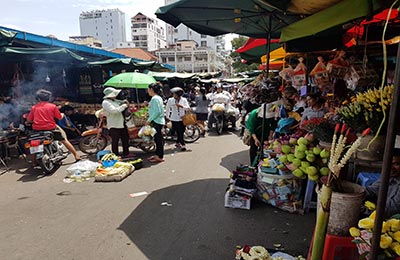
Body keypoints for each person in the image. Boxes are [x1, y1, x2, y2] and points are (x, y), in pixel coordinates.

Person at [26, 89, 80, 165]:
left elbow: (29, 120)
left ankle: (34, 162)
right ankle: (76, 155)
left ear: (38, 99)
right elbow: (59, 118)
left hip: (37, 130)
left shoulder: (34, 108)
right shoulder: (53, 106)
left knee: (34, 144)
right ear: (48, 98)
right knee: (64, 140)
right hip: (51, 129)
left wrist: (32, 121)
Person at [246, 87, 280, 165]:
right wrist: (255, 139)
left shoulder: (273, 113)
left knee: (265, 150)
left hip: (266, 133)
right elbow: (251, 127)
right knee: (253, 150)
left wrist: (270, 135)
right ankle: (253, 165)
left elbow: (273, 125)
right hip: (255, 133)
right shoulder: (255, 113)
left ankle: (263, 164)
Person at [365, 148, 400, 218]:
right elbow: (372, 190)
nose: (391, 168)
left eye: (396, 164)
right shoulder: (388, 177)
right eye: (389, 163)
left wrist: (365, 210)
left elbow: (391, 209)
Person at [102, 87, 131, 157]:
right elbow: (114, 111)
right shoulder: (106, 102)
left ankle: (126, 153)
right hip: (114, 124)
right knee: (115, 140)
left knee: (125, 138)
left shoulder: (114, 101)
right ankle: (115, 155)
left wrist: (125, 102)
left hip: (121, 122)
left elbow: (121, 103)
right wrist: (124, 106)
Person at [165, 87, 190, 151]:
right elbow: (167, 108)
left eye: (174, 94)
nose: (173, 95)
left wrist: (181, 106)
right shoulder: (170, 100)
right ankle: (183, 145)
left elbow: (188, 108)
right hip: (174, 118)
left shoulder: (184, 100)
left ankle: (177, 142)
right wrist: (167, 117)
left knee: (182, 130)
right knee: (179, 132)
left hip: (182, 118)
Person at [146, 83, 165, 163]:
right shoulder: (157, 98)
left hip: (157, 121)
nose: (147, 91)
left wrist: (149, 120)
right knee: (157, 139)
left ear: (151, 89)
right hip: (158, 121)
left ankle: (160, 156)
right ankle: (157, 155)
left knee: (158, 139)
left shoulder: (155, 98)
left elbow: (157, 111)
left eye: (148, 89)